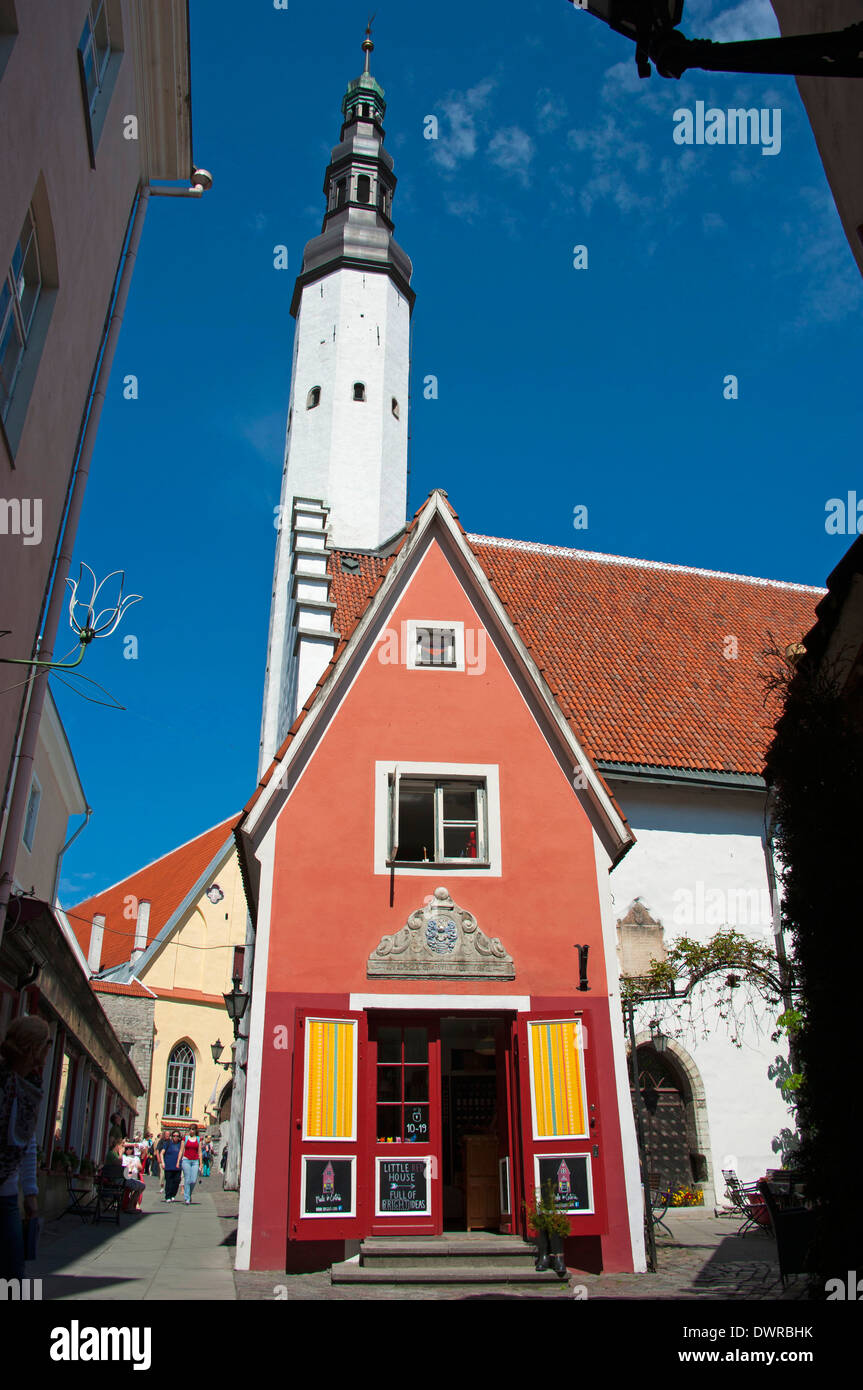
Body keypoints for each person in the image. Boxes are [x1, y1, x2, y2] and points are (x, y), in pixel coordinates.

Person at [0, 1016, 50, 1281]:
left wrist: (30, 1193)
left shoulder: (31, 1090)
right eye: (42, 1051)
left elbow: (28, 1142)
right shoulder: (4, 1084)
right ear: (30, 1050)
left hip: (7, 1194)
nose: (43, 1060)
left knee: (15, 1273)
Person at [179, 1125, 202, 1205]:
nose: (191, 1131)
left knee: (193, 1180)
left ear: (196, 1130)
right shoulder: (185, 1139)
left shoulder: (198, 1139)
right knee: (187, 1179)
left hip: (195, 1161)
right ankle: (187, 1198)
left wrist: (201, 1164)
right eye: (190, 1129)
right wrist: (178, 1161)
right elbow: (181, 1150)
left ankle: (189, 1193)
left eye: (193, 1129)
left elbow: (200, 1152)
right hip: (186, 1160)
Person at [121, 1143, 145, 1213]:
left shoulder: (136, 1158)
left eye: (130, 1148)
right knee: (137, 1186)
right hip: (126, 1176)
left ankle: (133, 1204)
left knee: (141, 1186)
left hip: (135, 1175)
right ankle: (130, 1205)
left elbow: (140, 1168)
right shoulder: (123, 1157)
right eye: (127, 1148)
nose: (128, 1150)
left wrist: (137, 1165)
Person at [161, 1130, 183, 1202]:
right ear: (171, 1136)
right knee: (169, 1181)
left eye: (177, 1136)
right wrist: (163, 1163)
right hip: (168, 1165)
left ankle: (173, 1194)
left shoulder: (180, 1144)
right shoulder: (168, 1143)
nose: (175, 1137)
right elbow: (162, 1153)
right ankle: (168, 1196)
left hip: (177, 1166)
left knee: (176, 1181)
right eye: (174, 1136)